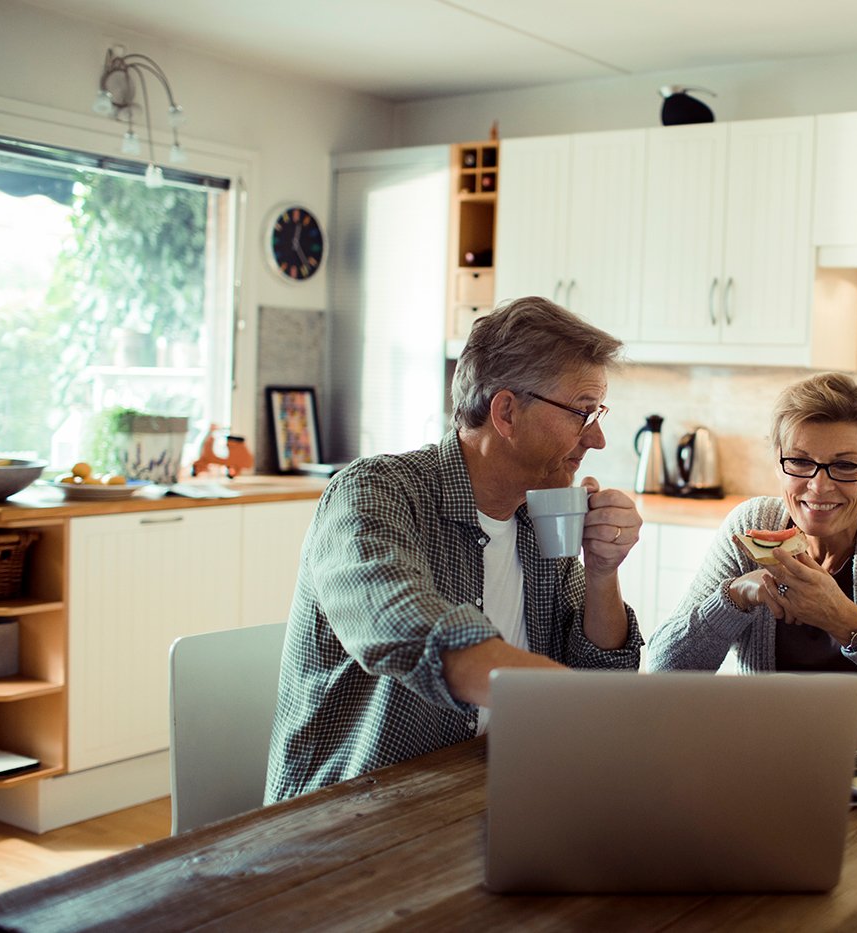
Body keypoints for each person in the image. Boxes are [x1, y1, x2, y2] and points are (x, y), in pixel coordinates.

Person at [266, 297, 644, 802]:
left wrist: (602, 572)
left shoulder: (541, 515)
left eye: (596, 413)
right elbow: (406, 627)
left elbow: (601, 674)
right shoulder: (374, 493)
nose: (596, 439)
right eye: (581, 412)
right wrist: (586, 709)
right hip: (350, 816)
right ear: (506, 412)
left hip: (490, 793)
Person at [647, 373, 857, 732]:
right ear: (778, 462)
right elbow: (664, 672)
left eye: (845, 465)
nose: (819, 486)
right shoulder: (750, 524)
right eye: (801, 461)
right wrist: (734, 597)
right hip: (764, 751)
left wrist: (847, 622)